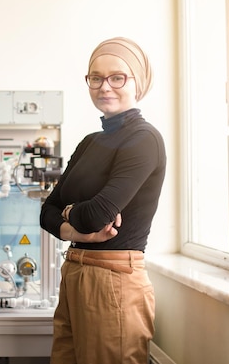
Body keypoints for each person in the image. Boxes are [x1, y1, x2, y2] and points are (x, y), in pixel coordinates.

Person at [40, 37, 166, 364]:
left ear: (138, 82)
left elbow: (96, 214)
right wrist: (74, 230)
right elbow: (46, 213)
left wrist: (69, 213)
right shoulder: (89, 142)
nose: (104, 87)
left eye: (117, 77)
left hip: (113, 279)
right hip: (75, 271)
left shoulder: (144, 139)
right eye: (95, 78)